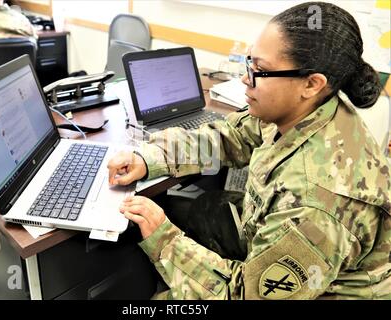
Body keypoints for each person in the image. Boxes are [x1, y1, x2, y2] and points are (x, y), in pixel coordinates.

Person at [108, 1, 391, 300]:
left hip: (317, 290)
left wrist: (164, 238)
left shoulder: (317, 205)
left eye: (260, 70)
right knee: (206, 208)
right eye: (249, 63)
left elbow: (243, 296)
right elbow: (232, 135)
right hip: (273, 238)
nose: (246, 78)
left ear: (311, 83)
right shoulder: (306, 107)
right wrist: (149, 157)